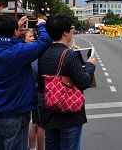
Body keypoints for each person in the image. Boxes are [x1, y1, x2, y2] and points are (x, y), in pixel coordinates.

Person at [0, 15, 52, 150]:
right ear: (15, 32)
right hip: (14, 113)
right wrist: (43, 24)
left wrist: (16, 27)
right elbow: (45, 41)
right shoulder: (18, 51)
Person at [38, 14, 96, 150]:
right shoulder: (69, 55)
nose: (72, 31)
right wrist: (90, 65)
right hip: (69, 114)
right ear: (65, 32)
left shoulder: (44, 52)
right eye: (71, 28)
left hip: (50, 112)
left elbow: (41, 84)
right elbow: (83, 81)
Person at [21, 30, 45, 150]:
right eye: (30, 36)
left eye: (33, 36)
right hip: (35, 90)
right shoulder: (29, 53)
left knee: (34, 123)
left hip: (28, 90)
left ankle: (31, 148)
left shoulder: (23, 52)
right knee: (40, 125)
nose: (33, 39)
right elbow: (36, 71)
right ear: (23, 38)